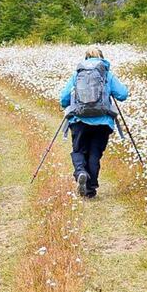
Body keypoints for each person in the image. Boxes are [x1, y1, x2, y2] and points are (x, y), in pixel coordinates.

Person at [59, 47, 128, 198]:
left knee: (79, 151)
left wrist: (68, 105)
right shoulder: (106, 74)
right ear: (102, 57)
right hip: (103, 121)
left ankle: (80, 172)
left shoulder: (77, 74)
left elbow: (63, 98)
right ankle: (90, 190)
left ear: (86, 58)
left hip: (79, 120)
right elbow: (122, 95)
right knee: (94, 153)